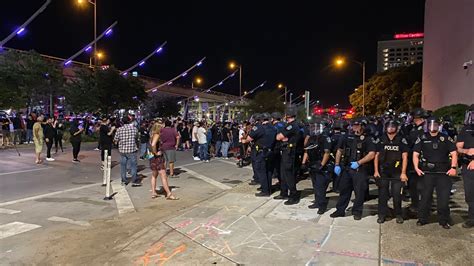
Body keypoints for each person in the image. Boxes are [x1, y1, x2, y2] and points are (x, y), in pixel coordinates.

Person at [413, 116, 458, 229]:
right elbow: (415, 154)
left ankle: (443, 220)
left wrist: (453, 167)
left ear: (439, 125)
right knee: (425, 198)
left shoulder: (445, 138)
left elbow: (454, 153)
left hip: (443, 172)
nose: (433, 127)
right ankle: (422, 218)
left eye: (435, 124)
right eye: (430, 124)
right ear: (427, 126)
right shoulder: (422, 137)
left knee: (443, 199)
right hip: (427, 172)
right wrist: (416, 168)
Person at [331, 117, 376, 220]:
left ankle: (357, 211)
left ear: (363, 126)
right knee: (344, 190)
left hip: (360, 169)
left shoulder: (368, 139)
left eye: (357, 125)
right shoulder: (346, 137)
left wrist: (359, 162)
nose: (355, 127)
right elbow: (339, 150)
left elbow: (372, 154)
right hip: (347, 168)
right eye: (353, 125)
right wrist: (337, 164)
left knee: (359, 192)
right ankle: (340, 210)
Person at [373, 120, 409, 224]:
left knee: (397, 194)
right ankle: (382, 215)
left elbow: (405, 157)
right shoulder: (381, 139)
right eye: (388, 126)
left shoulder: (401, 139)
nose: (390, 128)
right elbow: (376, 156)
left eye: (393, 126)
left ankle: (398, 214)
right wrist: (376, 171)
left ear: (397, 128)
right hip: (384, 170)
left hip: (397, 171)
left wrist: (403, 172)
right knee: (383, 194)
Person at [302, 117, 332, 214]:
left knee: (320, 186)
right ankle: (317, 202)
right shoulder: (311, 138)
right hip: (312, 164)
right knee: (315, 185)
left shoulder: (325, 138)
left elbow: (327, 152)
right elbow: (307, 150)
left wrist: (322, 165)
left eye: (315, 127)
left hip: (320, 164)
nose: (313, 129)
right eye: (312, 127)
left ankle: (322, 205)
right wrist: (303, 163)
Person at [243, 113, 277, 197]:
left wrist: (243, 141)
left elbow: (248, 139)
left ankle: (265, 190)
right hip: (271, 151)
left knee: (261, 171)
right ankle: (267, 188)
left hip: (262, 152)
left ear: (261, 120)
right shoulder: (273, 127)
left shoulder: (259, 128)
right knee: (269, 171)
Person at [275, 107, 301, 205]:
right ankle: (284, 192)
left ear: (288, 115)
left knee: (289, 175)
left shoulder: (291, 126)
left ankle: (293, 196)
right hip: (286, 151)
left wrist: (283, 137)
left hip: (289, 152)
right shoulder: (292, 125)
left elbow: (278, 137)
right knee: (283, 174)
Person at [406, 108, 428, 213]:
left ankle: (421, 206)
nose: (414, 120)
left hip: (422, 160)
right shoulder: (414, 128)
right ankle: (416, 204)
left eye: (416, 118)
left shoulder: (425, 129)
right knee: (413, 185)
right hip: (413, 160)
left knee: (421, 186)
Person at [149, 122, 178, 200]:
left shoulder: (152, 134)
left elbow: (151, 145)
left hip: (151, 156)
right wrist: (156, 152)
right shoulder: (157, 134)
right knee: (163, 175)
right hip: (157, 157)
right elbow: (153, 145)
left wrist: (153, 153)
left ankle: (153, 192)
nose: (163, 128)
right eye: (161, 126)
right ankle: (168, 193)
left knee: (154, 174)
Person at [456, 104, 474, 228]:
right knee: (470, 194)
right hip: (467, 166)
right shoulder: (466, 129)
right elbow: (458, 147)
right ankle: (472, 218)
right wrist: (466, 151)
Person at [114, 116, 141, 186]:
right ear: (129, 121)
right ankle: (134, 180)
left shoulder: (119, 129)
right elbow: (137, 138)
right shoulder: (134, 129)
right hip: (132, 149)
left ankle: (123, 180)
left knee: (123, 165)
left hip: (122, 150)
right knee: (133, 165)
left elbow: (115, 140)